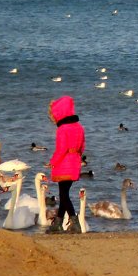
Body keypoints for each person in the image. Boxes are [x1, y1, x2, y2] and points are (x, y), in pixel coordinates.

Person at [48, 95, 86, 233]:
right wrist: (76, 156)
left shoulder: (62, 129)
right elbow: (82, 146)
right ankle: (57, 223)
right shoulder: (79, 127)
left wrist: (52, 162)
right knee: (64, 193)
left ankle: (74, 222)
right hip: (75, 162)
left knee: (64, 195)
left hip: (63, 164)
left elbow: (61, 149)